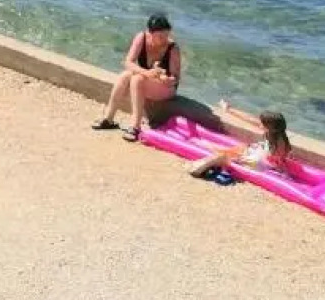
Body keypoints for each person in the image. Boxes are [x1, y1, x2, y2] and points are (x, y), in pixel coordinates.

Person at [91, 13, 182, 141]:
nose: (164, 39)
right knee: (124, 76)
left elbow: (175, 77)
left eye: (167, 35)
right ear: (150, 33)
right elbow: (128, 62)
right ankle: (108, 118)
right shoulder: (142, 37)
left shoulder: (172, 48)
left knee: (137, 79)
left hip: (166, 88)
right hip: (148, 79)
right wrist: (147, 73)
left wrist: (167, 79)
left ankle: (135, 127)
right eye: (160, 36)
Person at [187, 103, 292, 178]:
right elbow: (249, 119)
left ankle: (202, 147)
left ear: (268, 127)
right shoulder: (278, 135)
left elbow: (273, 162)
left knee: (227, 154)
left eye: (262, 123)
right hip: (259, 157)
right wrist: (229, 109)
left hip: (258, 163)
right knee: (237, 149)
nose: (259, 124)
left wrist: (283, 173)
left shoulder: (278, 143)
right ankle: (203, 145)